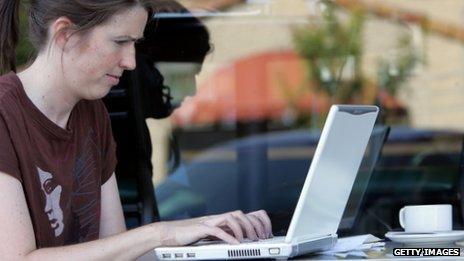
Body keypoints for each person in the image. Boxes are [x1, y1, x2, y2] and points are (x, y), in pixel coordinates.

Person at [0, 0, 272, 260]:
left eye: (134, 43)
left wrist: (207, 234)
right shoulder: (5, 115)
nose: (131, 62)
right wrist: (160, 234)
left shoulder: (93, 114)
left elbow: (117, 249)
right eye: (120, 42)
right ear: (65, 34)